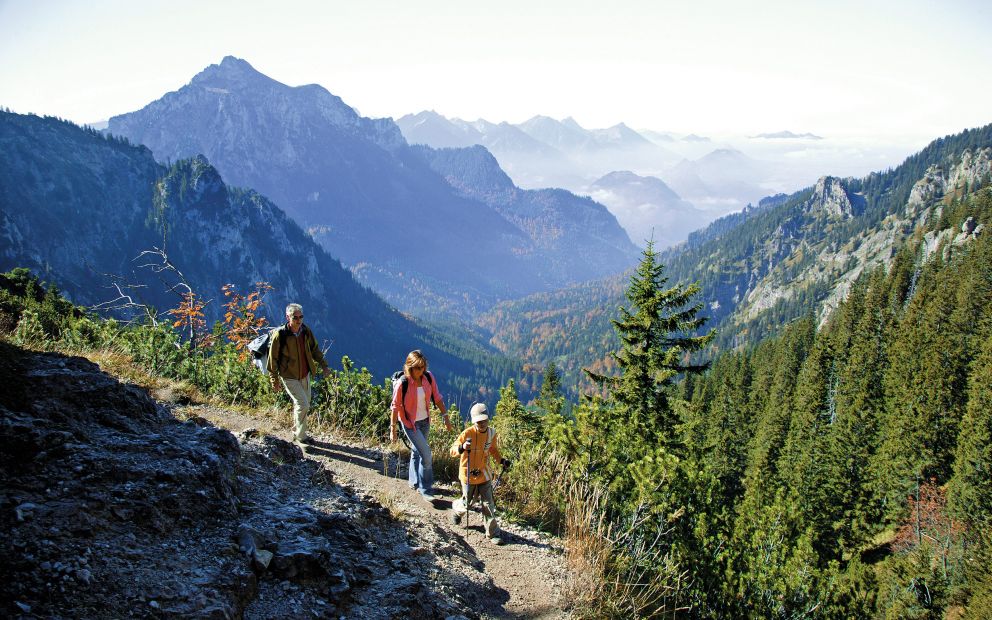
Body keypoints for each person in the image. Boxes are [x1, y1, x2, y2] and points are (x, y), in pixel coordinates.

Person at [390, 350, 452, 502]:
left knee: (417, 451)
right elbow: (395, 406)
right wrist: (393, 429)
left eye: (423, 367)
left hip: (425, 421)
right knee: (427, 454)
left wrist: (446, 417)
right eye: (417, 367)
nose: (421, 370)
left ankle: (414, 482)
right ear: (410, 367)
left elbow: (437, 398)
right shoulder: (402, 383)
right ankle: (426, 489)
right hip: (409, 423)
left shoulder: (428, 378)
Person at [268, 303, 330, 446]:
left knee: (303, 404)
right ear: (287, 317)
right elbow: (273, 359)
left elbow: (314, 350)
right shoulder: (281, 335)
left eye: (301, 317)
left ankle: (298, 430)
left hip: (304, 374)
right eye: (295, 317)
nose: (298, 320)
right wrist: (274, 380)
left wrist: (324, 366)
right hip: (289, 376)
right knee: (303, 404)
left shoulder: (305, 332)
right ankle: (300, 438)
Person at [449, 403, 511, 542]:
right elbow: (452, 450)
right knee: (468, 503)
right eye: (478, 421)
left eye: (484, 420)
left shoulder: (491, 433)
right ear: (474, 421)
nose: (482, 423)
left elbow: (493, 449)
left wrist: (502, 461)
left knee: (488, 504)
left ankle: (493, 533)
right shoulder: (467, 433)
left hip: (484, 473)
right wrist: (462, 447)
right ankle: (457, 510)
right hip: (467, 474)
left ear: (488, 419)